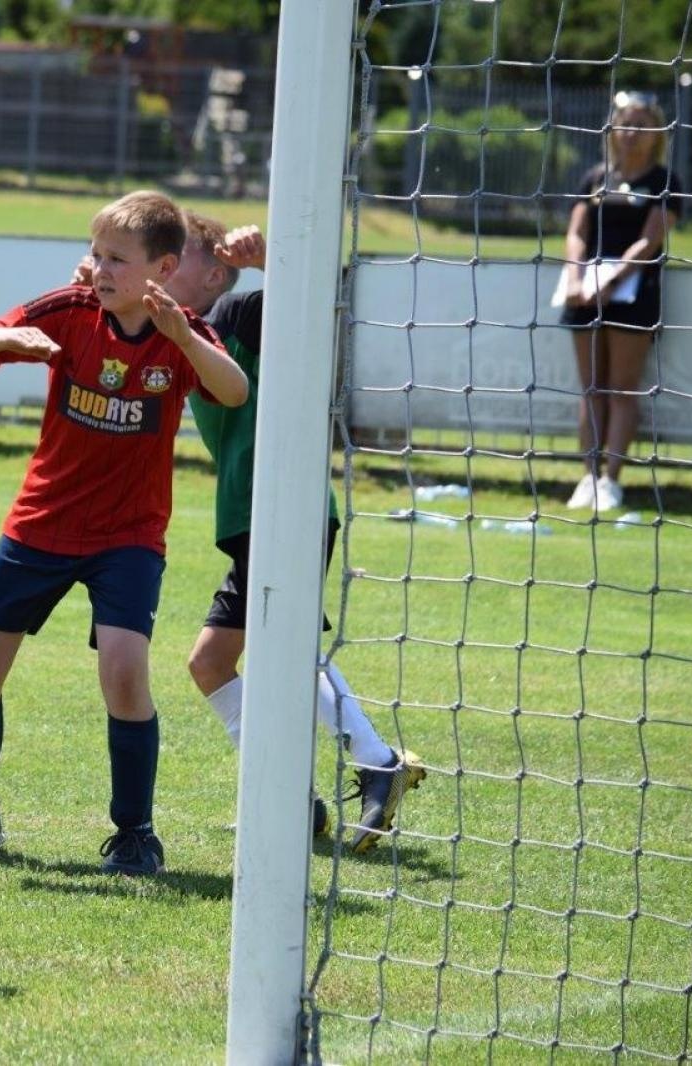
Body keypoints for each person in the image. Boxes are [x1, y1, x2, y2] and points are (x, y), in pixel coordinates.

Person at [0, 191, 250, 876]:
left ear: (163, 266)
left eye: (117, 259)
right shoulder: (67, 310)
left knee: (124, 672)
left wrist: (185, 338)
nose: (99, 269)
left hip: (128, 534)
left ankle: (135, 835)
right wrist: (0, 339)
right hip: (42, 522)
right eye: (95, 254)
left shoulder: (176, 330)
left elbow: (235, 390)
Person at [164, 219, 426, 855]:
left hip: (288, 505)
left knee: (287, 651)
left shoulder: (237, 307)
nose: (159, 273)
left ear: (214, 273)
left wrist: (267, 264)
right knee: (211, 662)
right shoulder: (183, 331)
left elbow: (308, 313)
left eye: (174, 263)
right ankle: (296, 795)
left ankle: (374, 762)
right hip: (252, 511)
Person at [558, 91, 681, 513]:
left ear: (657, 133)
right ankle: (587, 478)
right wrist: (577, 279)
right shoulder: (594, 178)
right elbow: (576, 233)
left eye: (643, 124)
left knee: (621, 390)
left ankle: (611, 480)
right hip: (584, 293)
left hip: (633, 295)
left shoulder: (663, 181)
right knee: (591, 388)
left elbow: (651, 238)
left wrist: (613, 280)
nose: (632, 132)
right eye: (626, 123)